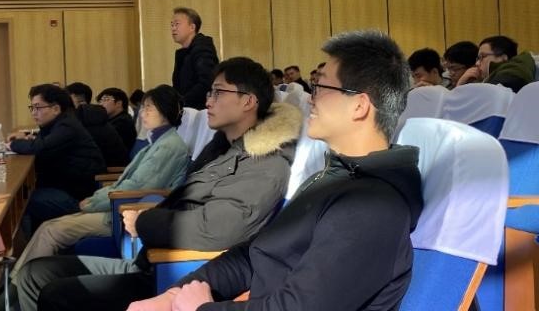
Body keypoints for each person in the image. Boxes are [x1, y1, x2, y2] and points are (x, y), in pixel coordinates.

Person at [127, 30, 424, 311]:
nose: (311, 97)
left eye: (321, 87)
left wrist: (201, 308)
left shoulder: (374, 207)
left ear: (359, 106)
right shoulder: (331, 179)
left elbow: (299, 308)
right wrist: (172, 296)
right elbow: (252, 255)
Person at [16, 57, 303, 311]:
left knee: (54, 293)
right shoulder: (222, 149)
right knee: (34, 273)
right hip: (149, 260)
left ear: (248, 101)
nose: (208, 101)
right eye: (209, 92)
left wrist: (144, 221)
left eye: (218, 92)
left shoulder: (266, 165)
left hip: (173, 275)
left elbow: (215, 229)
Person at [8, 85, 190, 283]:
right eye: (143, 107)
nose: (142, 113)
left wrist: (94, 202)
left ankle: (17, 286)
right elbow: (130, 184)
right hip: (117, 206)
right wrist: (97, 199)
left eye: (149, 108)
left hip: (124, 214)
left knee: (50, 230)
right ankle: (19, 282)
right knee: (48, 227)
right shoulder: (157, 142)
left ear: (165, 111)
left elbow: (137, 187)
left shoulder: (169, 147)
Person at [7, 84, 105, 233]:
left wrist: (13, 144)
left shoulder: (67, 126)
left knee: (21, 201)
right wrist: (27, 139)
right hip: (64, 186)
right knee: (22, 195)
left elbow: (39, 148)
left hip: (78, 197)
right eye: (32, 108)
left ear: (56, 109)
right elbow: (42, 143)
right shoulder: (60, 123)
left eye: (38, 108)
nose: (33, 113)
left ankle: (27, 244)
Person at [171, 7, 219, 109]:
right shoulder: (184, 53)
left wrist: (181, 102)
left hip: (201, 111)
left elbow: (207, 82)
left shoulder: (202, 48)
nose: (173, 28)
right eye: (172, 25)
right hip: (188, 110)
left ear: (192, 27)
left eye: (177, 24)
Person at [456, 35, 535, 92]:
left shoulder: (510, 75)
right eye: (478, 58)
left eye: (482, 57)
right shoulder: (497, 77)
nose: (477, 63)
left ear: (503, 58)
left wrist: (459, 87)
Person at [97, 87, 138, 153]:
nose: (101, 104)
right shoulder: (111, 120)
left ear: (119, 103)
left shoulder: (123, 122)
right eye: (100, 101)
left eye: (105, 99)